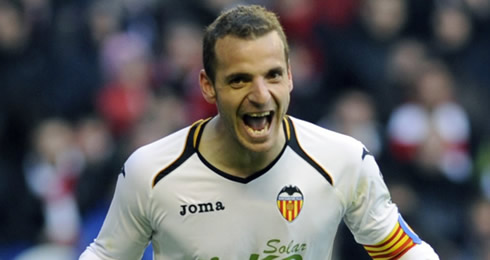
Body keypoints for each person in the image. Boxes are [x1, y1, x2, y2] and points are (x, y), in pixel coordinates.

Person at [80, 5, 439, 259]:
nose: (260, 94)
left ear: (291, 76)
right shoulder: (151, 171)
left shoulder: (342, 159)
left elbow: (403, 250)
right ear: (208, 86)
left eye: (273, 75)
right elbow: (107, 255)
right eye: (239, 80)